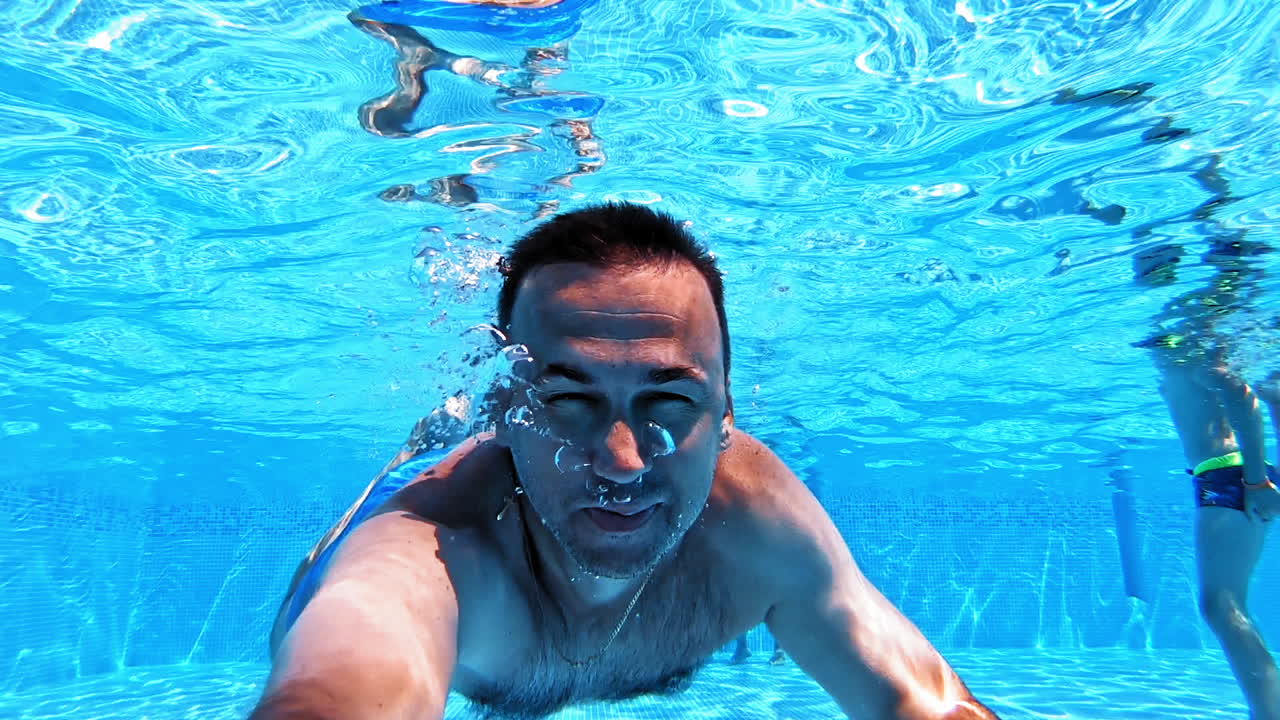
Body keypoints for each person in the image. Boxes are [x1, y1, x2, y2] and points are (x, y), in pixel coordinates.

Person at [250, 203, 998, 720]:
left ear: (728, 415)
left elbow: (921, 700)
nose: (622, 460)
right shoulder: (436, 548)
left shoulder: (760, 527)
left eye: (669, 402)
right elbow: (345, 670)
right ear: (503, 415)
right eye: (568, 401)